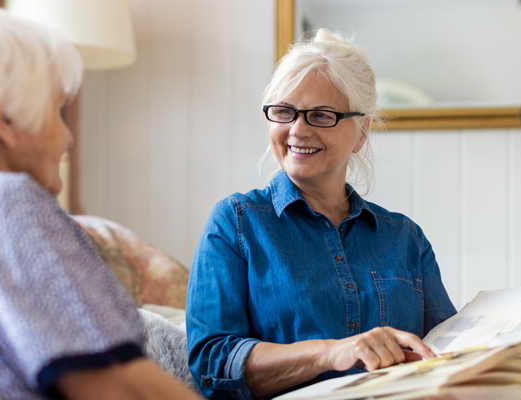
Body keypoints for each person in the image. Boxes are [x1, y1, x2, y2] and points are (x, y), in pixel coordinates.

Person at [186, 29, 457, 400]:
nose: (298, 130)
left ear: (361, 131)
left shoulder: (406, 239)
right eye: (284, 111)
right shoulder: (236, 223)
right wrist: (332, 352)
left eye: (321, 115)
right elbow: (212, 364)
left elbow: (449, 351)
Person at [0, 8, 200, 400]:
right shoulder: (1, 203)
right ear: (5, 121)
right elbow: (121, 388)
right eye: (56, 110)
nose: (67, 137)